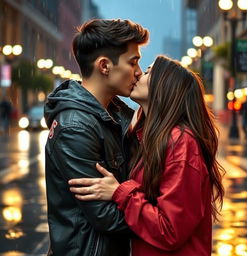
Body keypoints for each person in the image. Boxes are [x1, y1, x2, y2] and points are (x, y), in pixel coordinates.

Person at [69, 55, 225, 256]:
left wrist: (120, 192)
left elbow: (170, 230)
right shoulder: (152, 137)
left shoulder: (182, 143)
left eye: (149, 71)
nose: (139, 73)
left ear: (165, 87)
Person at [44, 19, 149, 255]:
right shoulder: (76, 126)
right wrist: (159, 217)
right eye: (133, 62)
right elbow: (106, 216)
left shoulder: (115, 113)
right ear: (104, 66)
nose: (139, 72)